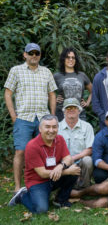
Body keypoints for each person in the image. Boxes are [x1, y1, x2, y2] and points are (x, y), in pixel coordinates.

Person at [4, 43, 57, 192]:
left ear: (40, 55)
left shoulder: (46, 72)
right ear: (25, 54)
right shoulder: (16, 71)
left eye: (37, 53)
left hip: (43, 118)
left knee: (45, 151)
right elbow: (8, 93)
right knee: (20, 151)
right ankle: (17, 187)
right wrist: (14, 116)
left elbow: (52, 94)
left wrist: (51, 115)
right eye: (31, 53)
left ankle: (43, 185)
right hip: (24, 118)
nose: (34, 56)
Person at [8, 115, 79, 213]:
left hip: (54, 177)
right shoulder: (32, 146)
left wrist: (60, 166)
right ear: (40, 129)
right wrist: (66, 171)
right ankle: (22, 196)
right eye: (47, 127)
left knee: (74, 170)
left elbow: (68, 158)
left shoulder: (60, 139)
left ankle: (60, 200)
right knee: (41, 209)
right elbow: (42, 173)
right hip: (38, 182)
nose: (51, 130)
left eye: (54, 127)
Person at [58, 98, 95, 189]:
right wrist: (65, 162)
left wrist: (73, 158)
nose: (71, 110)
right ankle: (61, 186)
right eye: (68, 108)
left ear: (79, 110)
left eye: (74, 108)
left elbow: (90, 149)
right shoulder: (57, 127)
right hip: (62, 163)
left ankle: (83, 187)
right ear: (64, 111)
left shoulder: (87, 127)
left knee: (88, 160)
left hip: (80, 162)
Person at [53, 48, 92, 121]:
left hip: (80, 114)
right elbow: (47, 92)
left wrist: (87, 103)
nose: (71, 59)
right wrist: (54, 99)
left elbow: (93, 91)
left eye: (73, 57)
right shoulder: (57, 76)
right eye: (68, 57)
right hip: (62, 114)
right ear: (63, 59)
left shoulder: (82, 75)